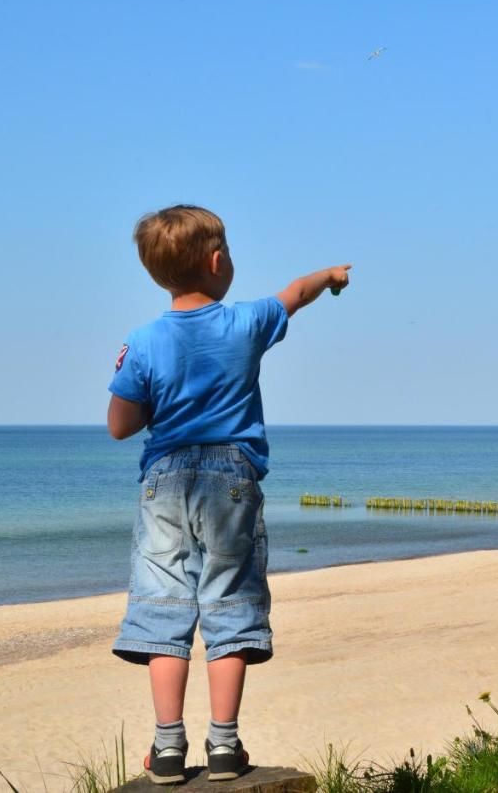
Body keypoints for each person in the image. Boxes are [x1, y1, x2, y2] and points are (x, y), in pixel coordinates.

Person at [106, 204, 351, 784]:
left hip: (164, 480)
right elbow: (296, 292)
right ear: (218, 262)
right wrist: (332, 276)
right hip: (231, 479)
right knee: (228, 600)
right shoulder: (245, 322)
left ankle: (167, 749)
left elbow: (119, 424)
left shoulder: (142, 341)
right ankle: (223, 746)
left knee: (164, 603)